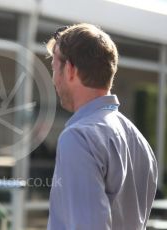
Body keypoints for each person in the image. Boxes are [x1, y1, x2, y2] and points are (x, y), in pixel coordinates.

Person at [46, 23, 158, 229]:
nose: (54, 80)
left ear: (70, 69)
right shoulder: (139, 141)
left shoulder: (79, 137)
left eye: (54, 68)